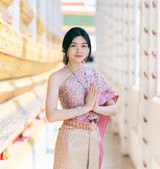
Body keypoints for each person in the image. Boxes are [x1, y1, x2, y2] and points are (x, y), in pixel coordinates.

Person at [45, 27, 119, 169]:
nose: (79, 50)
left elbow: (114, 109)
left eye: (84, 46)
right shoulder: (56, 77)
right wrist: (84, 108)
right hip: (70, 138)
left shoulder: (95, 75)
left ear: (89, 49)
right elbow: (51, 115)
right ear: (65, 48)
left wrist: (95, 107)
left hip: (92, 138)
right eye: (74, 45)